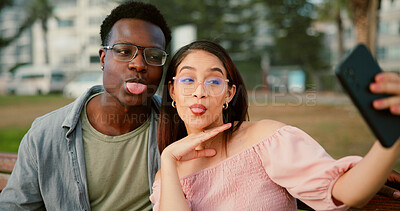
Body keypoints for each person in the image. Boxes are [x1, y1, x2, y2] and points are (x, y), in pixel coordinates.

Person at [150, 40, 400, 210]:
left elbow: (348, 192)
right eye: (188, 79)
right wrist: (169, 159)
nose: (199, 92)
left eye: (214, 81)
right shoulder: (168, 173)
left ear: (229, 94)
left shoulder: (265, 140)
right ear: (172, 91)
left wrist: (392, 136)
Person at [0, 1, 171, 210]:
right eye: (124, 51)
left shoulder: (177, 127)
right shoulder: (44, 135)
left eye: (153, 56)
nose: (139, 64)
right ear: (103, 58)